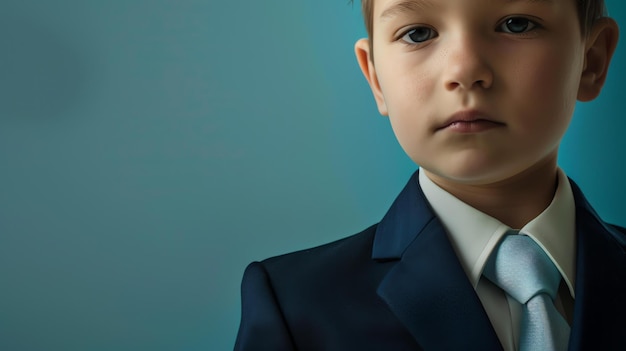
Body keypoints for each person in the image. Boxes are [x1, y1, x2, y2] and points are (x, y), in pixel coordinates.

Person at [234, 0, 626, 349]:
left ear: (591, 60)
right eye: (418, 33)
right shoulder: (296, 303)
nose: (465, 70)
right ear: (375, 77)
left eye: (516, 24)